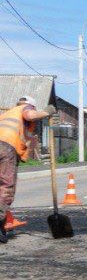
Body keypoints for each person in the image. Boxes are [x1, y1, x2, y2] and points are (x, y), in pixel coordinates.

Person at [0, 95, 54, 241]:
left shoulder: (8, 114)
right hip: (6, 148)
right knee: (6, 186)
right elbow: (30, 115)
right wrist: (46, 112)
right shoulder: (26, 109)